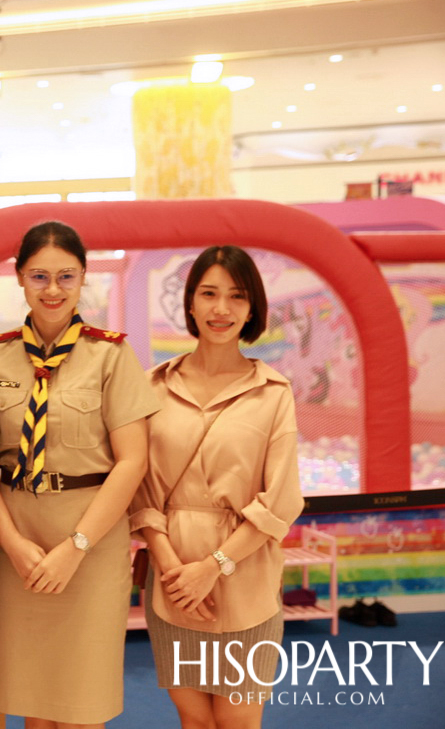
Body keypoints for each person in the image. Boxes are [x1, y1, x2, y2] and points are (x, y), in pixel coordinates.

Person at [0, 222, 158, 728]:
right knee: (34, 701)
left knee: (83, 700)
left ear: (83, 279)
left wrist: (76, 546)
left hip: (91, 543)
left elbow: (132, 462)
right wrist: (12, 542)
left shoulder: (110, 355)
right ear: (19, 278)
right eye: (39, 276)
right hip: (16, 542)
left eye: (66, 276)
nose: (52, 290)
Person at [130, 246, 303, 729]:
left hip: (244, 579)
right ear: (190, 303)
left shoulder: (273, 393)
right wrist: (172, 570)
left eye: (236, 296)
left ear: (252, 309)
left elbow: (282, 501)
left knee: (239, 718)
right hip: (172, 581)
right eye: (209, 294)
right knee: (194, 718)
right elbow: (141, 491)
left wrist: (213, 567)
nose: (221, 309)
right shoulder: (153, 387)